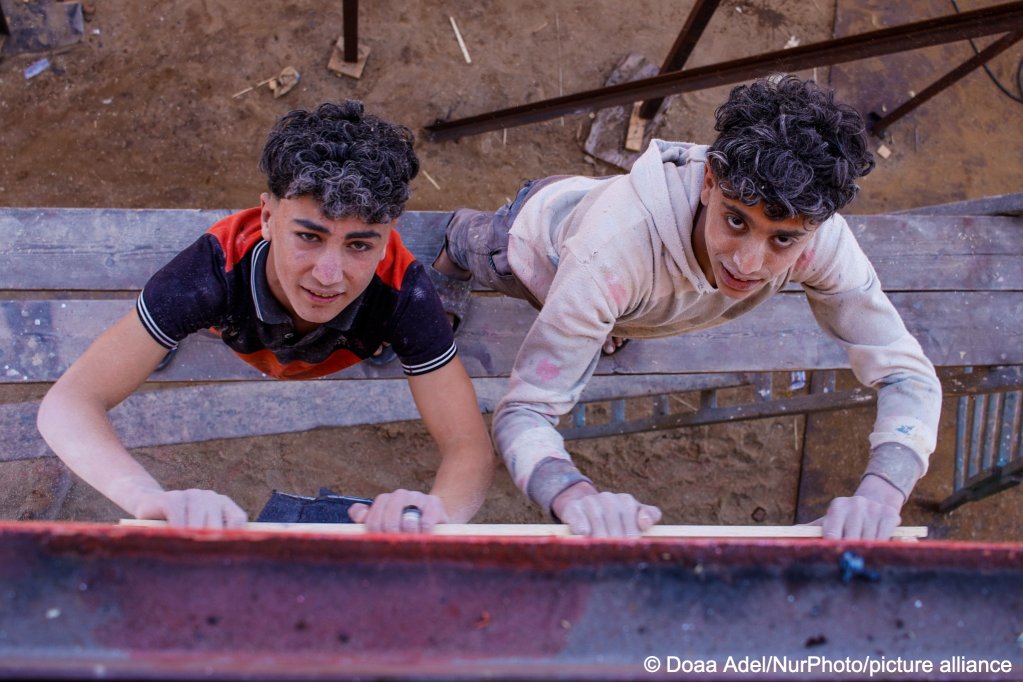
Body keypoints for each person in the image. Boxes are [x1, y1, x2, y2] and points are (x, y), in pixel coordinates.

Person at [432, 75, 941, 540]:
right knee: (480, 249)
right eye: (736, 221)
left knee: (610, 313)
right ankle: (453, 251)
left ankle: (613, 322)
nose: (747, 263)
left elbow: (906, 372)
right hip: (531, 242)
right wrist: (572, 493)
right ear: (708, 182)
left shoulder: (817, 234)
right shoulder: (607, 261)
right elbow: (525, 409)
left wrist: (882, 493)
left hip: (620, 295)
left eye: (782, 241)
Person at [38, 101, 494, 533]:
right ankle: (161, 336)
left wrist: (434, 516)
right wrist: (145, 498)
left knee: (405, 335)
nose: (329, 276)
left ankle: (373, 344)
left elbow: (469, 446)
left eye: (360, 245)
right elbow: (68, 403)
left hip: (319, 335)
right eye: (309, 237)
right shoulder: (208, 274)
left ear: (387, 236)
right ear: (266, 217)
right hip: (241, 321)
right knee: (163, 322)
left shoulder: (404, 293)